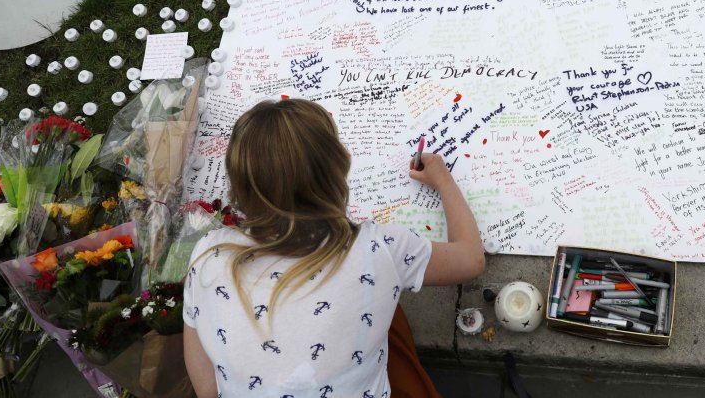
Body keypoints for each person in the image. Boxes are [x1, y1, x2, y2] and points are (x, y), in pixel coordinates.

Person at [183, 99, 485, 398]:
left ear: (239, 182)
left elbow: (208, 389)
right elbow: (470, 258)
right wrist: (443, 180)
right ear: (338, 167)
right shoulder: (379, 249)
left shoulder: (207, 256)